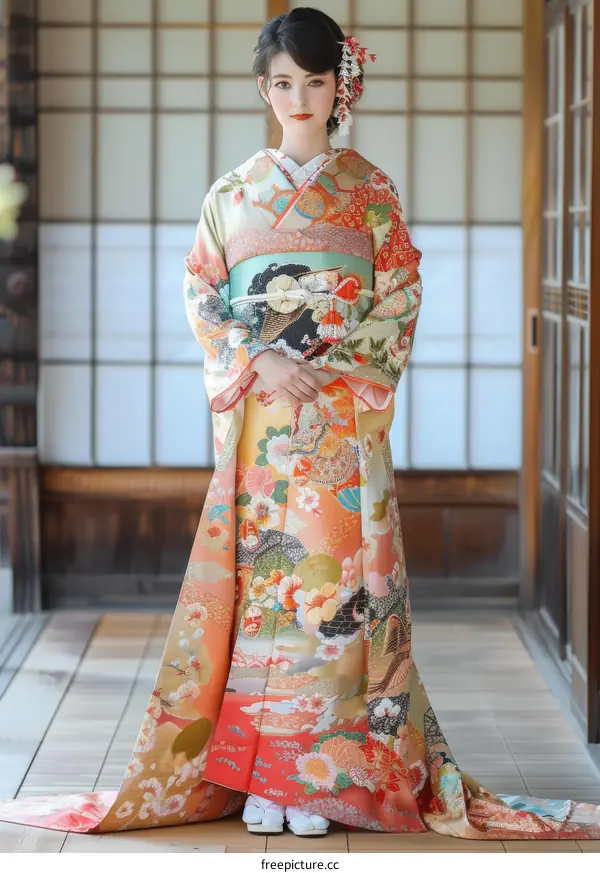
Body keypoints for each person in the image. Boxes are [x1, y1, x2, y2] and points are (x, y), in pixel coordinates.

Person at [1, 5, 600, 842]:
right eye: (283, 83)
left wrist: (340, 369)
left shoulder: (370, 193)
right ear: (265, 89)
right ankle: (259, 777)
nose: (298, 98)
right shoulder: (232, 194)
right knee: (265, 596)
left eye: (314, 82)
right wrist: (260, 359)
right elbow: (204, 292)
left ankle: (326, 780)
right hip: (265, 423)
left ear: (337, 86)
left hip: (342, 419)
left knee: (337, 596)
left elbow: (399, 296)